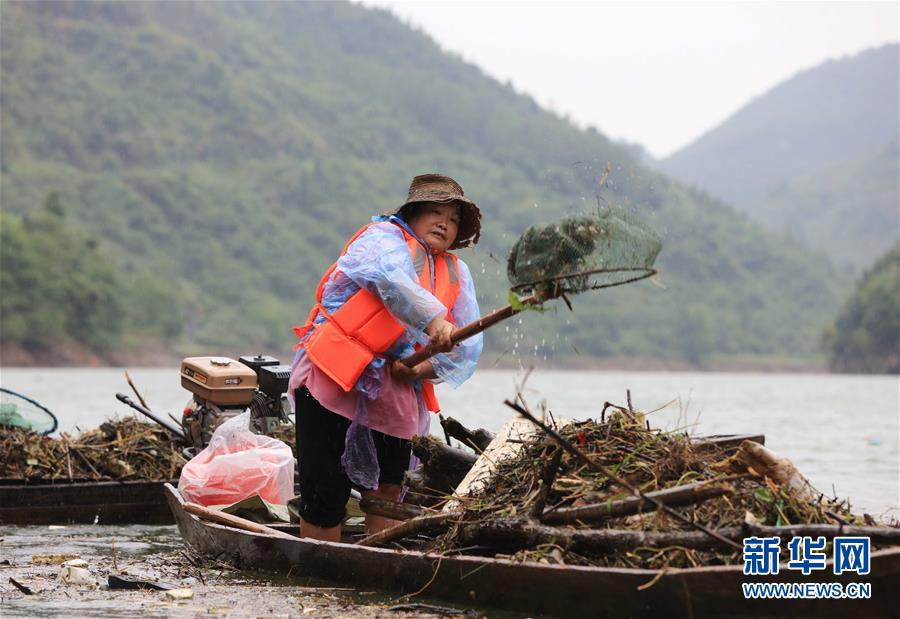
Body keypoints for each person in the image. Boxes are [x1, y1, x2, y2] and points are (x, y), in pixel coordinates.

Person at [288, 173, 483, 542]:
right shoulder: (382, 239)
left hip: (394, 393)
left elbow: (467, 346)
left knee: (389, 492)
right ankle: (317, 573)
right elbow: (389, 280)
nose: (446, 223)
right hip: (336, 377)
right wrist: (435, 320)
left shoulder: (458, 272)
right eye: (435, 212)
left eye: (455, 219)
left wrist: (422, 368)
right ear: (411, 214)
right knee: (325, 488)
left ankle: (375, 561)